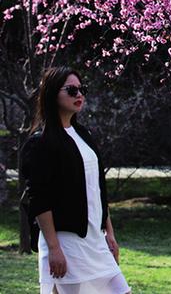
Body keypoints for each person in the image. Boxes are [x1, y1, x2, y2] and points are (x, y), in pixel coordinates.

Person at [20, 67, 130, 294]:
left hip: (95, 240)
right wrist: (53, 248)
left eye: (82, 89)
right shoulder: (42, 143)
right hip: (65, 242)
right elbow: (40, 199)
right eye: (71, 90)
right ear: (52, 94)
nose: (79, 95)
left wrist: (109, 233)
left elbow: (97, 189)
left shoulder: (84, 135)